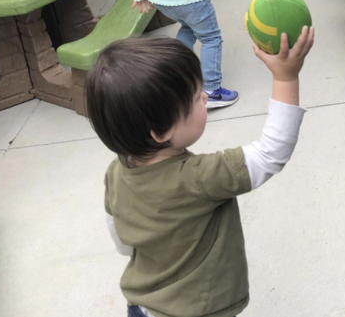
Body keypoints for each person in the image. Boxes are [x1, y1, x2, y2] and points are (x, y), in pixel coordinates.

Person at [87, 28, 314, 317]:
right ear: (161, 132)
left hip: (142, 306)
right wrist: (286, 78)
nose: (206, 97)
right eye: (197, 97)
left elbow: (120, 239)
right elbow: (271, 154)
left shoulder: (115, 173)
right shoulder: (199, 178)